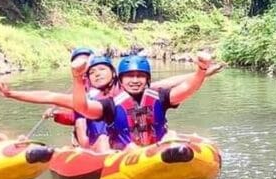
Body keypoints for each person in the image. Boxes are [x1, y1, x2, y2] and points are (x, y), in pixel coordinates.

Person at [70, 53, 214, 150]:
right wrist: (77, 79)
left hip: (158, 150)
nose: (135, 80)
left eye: (140, 76)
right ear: (120, 80)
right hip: (125, 155)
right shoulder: (111, 105)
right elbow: (82, 107)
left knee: (172, 136)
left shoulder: (160, 97)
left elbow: (188, 88)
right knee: (105, 141)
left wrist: (201, 69)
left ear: (147, 79)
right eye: (129, 76)